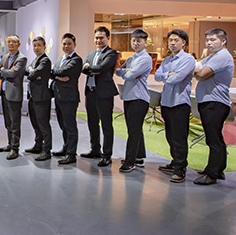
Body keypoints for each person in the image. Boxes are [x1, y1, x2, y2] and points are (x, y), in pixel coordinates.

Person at [154, 29, 196, 183]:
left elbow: (176, 78)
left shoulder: (188, 59)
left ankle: (180, 168)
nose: (172, 43)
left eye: (176, 40)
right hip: (166, 102)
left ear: (183, 42)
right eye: (170, 40)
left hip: (180, 103)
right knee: (170, 136)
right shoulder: (167, 60)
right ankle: (174, 162)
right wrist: (168, 75)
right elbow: (157, 75)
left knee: (179, 137)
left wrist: (168, 76)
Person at [192, 28, 233, 185]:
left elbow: (201, 75)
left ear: (223, 41)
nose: (209, 43)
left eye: (213, 40)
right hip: (208, 100)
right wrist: (199, 70)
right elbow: (198, 70)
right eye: (207, 40)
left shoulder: (222, 56)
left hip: (215, 102)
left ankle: (212, 173)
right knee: (214, 137)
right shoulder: (212, 57)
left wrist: (198, 71)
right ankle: (218, 168)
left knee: (213, 138)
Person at [114, 29, 152, 173]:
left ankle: (129, 161)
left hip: (139, 97)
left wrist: (128, 72)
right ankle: (138, 157)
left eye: (139, 41)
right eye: (134, 40)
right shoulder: (132, 57)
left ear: (145, 42)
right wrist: (128, 71)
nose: (136, 43)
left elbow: (130, 75)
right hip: (129, 96)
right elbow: (119, 71)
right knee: (134, 129)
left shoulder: (145, 58)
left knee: (134, 131)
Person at [81, 26, 119, 167]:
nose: (98, 40)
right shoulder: (91, 53)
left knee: (106, 125)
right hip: (90, 92)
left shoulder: (111, 53)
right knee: (92, 122)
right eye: (96, 37)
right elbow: (83, 69)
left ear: (108, 38)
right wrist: (89, 69)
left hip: (104, 93)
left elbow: (102, 68)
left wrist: (88, 68)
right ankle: (95, 149)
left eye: (101, 38)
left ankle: (107, 155)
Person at [50, 33, 83, 165]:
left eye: (69, 44)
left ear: (75, 45)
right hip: (58, 97)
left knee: (70, 126)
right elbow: (53, 72)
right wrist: (57, 76)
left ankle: (71, 154)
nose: (66, 46)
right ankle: (66, 147)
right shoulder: (60, 59)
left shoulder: (76, 60)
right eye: (64, 43)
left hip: (69, 98)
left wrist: (56, 74)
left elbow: (61, 72)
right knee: (63, 125)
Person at [0, 34, 27, 160]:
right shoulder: (4, 57)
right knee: (8, 122)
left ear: (18, 44)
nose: (11, 44)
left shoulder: (22, 58)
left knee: (15, 123)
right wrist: (5, 71)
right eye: (9, 42)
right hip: (4, 93)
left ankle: (15, 148)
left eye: (13, 42)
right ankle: (10, 144)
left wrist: (3, 70)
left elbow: (14, 73)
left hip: (14, 94)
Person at [24, 36, 53, 161]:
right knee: (35, 123)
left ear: (44, 47)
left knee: (43, 124)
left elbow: (32, 75)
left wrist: (33, 72)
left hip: (42, 98)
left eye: (39, 45)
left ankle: (47, 150)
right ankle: (38, 145)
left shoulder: (45, 61)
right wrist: (32, 72)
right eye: (34, 45)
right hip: (32, 97)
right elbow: (27, 72)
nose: (36, 48)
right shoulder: (35, 60)